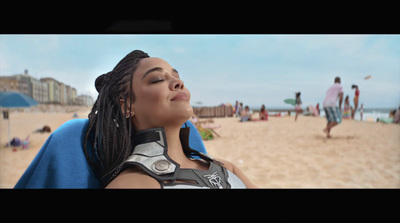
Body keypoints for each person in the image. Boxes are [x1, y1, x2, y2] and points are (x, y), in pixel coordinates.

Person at [84, 50, 256, 189]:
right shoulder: (131, 184)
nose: (178, 83)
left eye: (177, 76)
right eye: (157, 79)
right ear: (127, 107)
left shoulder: (227, 168)